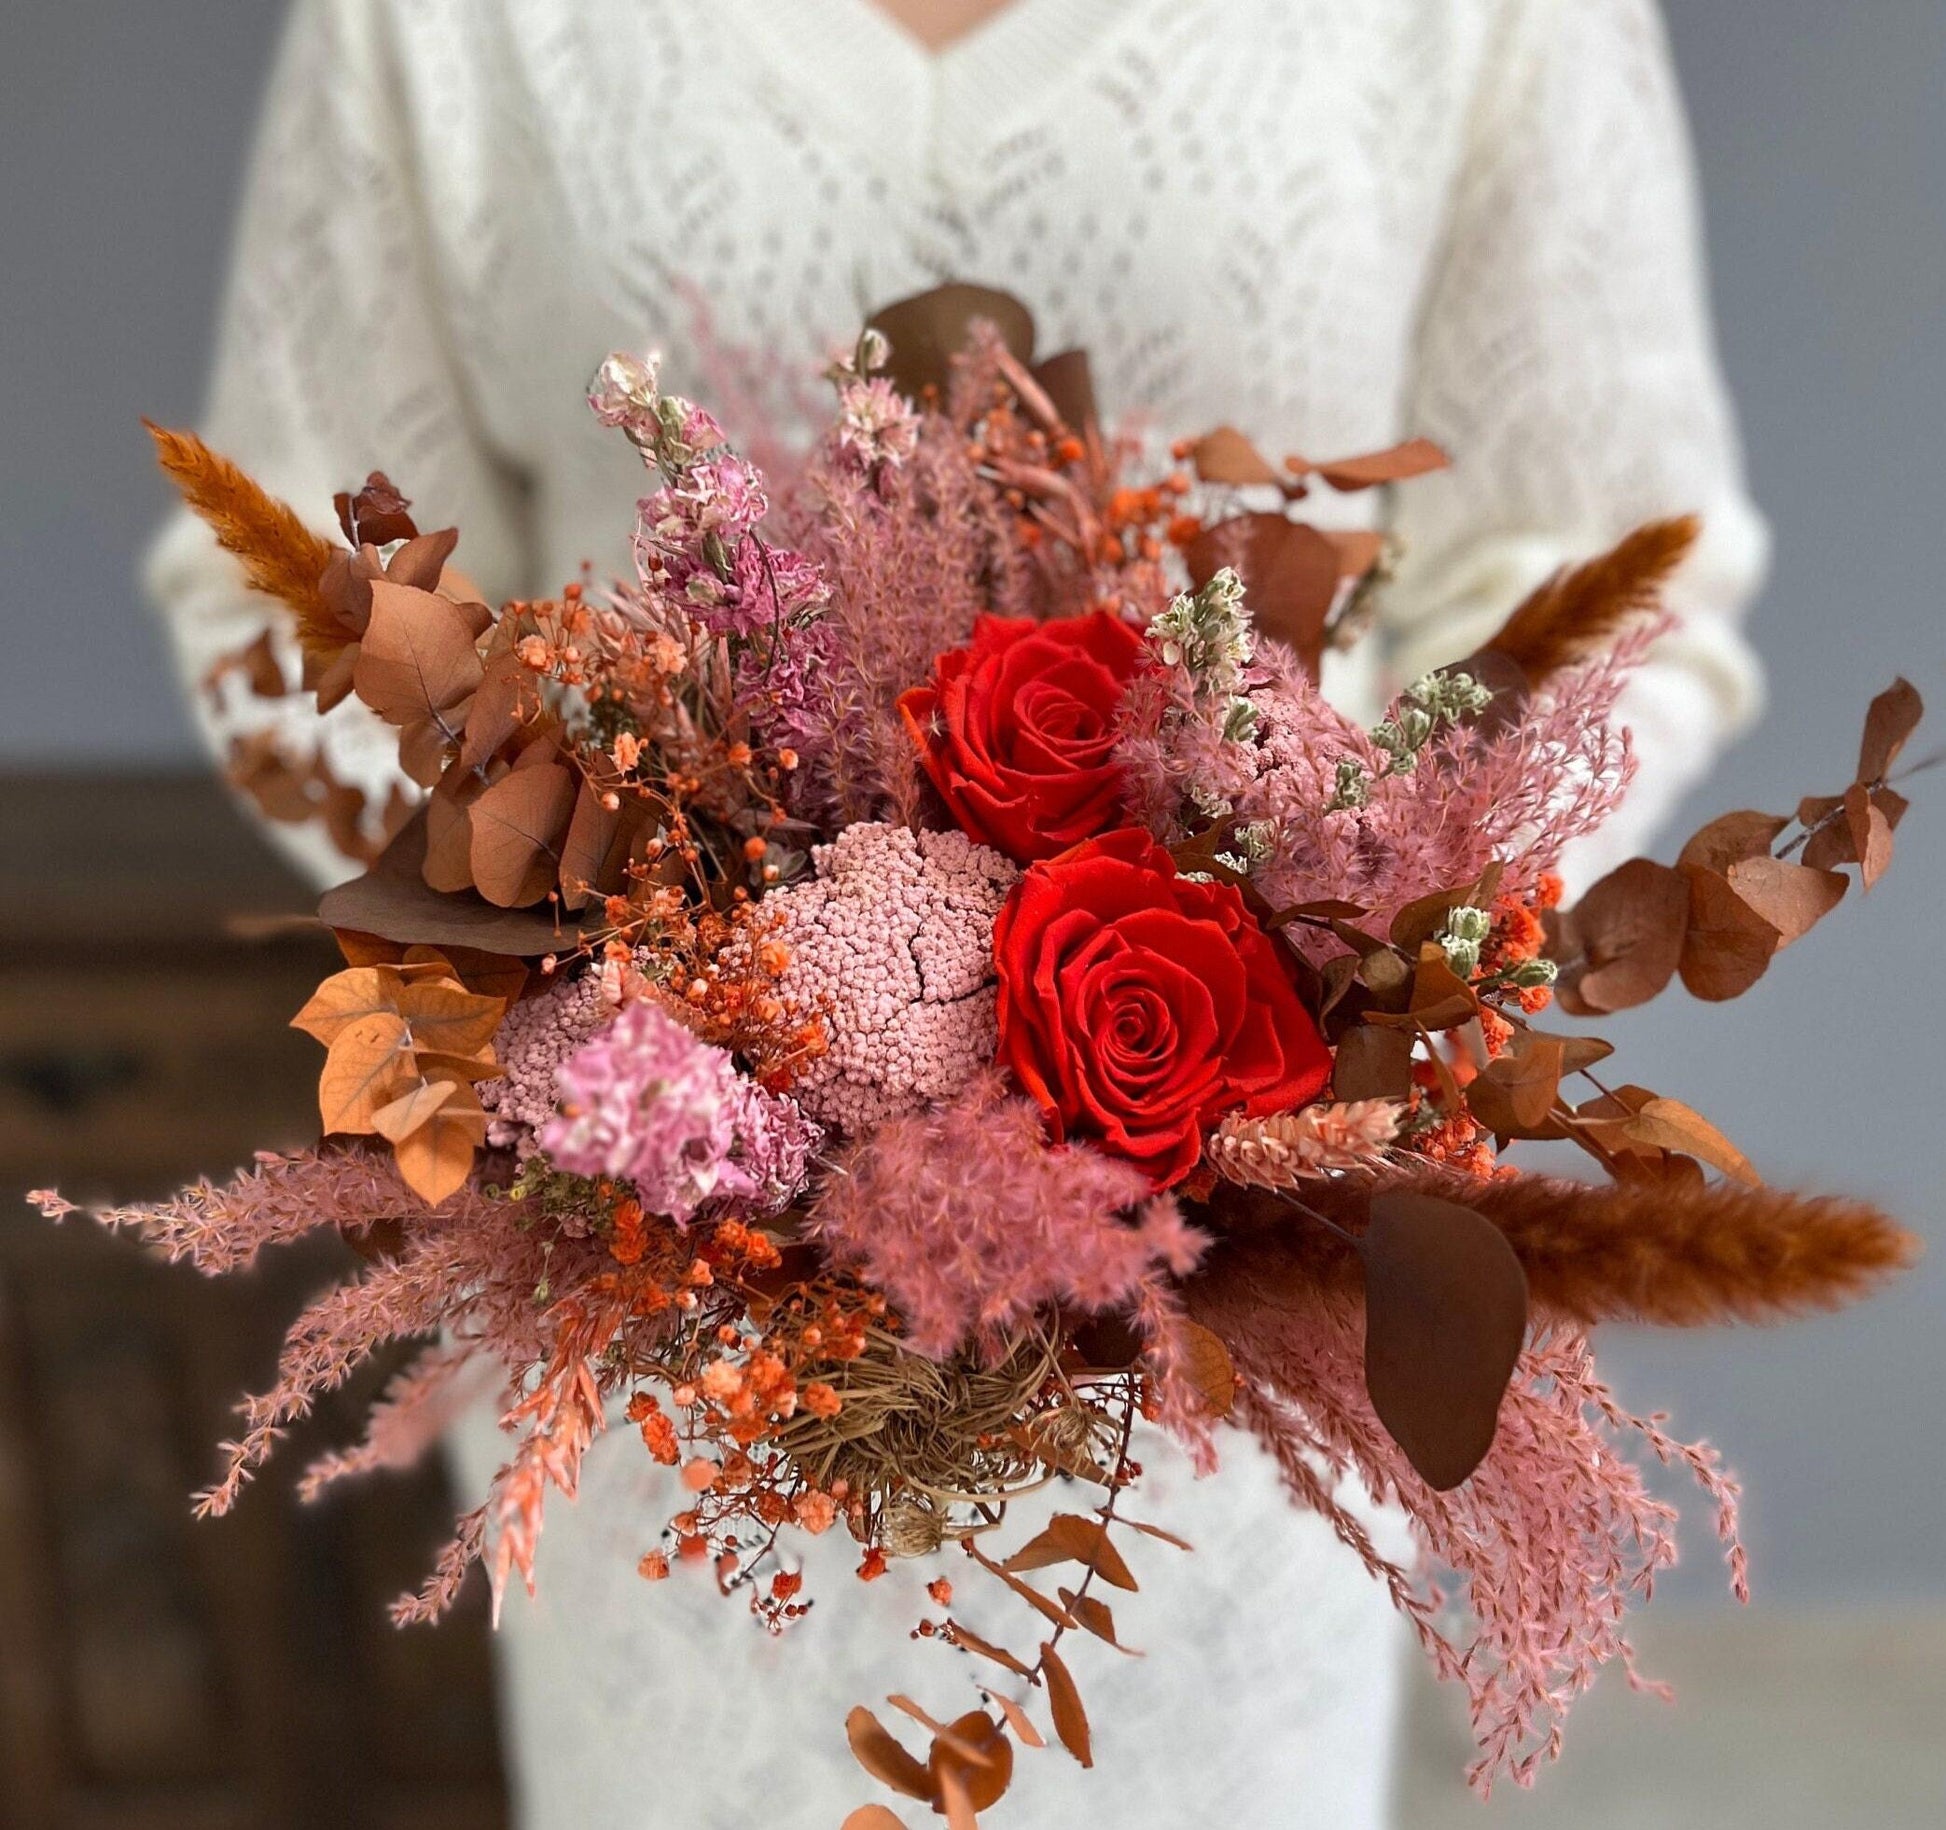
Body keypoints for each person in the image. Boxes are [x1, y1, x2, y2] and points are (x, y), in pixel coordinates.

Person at [148, 2, 1767, 1823]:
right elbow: (284, 594)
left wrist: (1353, 930)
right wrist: (632, 979)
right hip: (664, 1267)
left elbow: (1619, 570)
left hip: (1230, 1304)